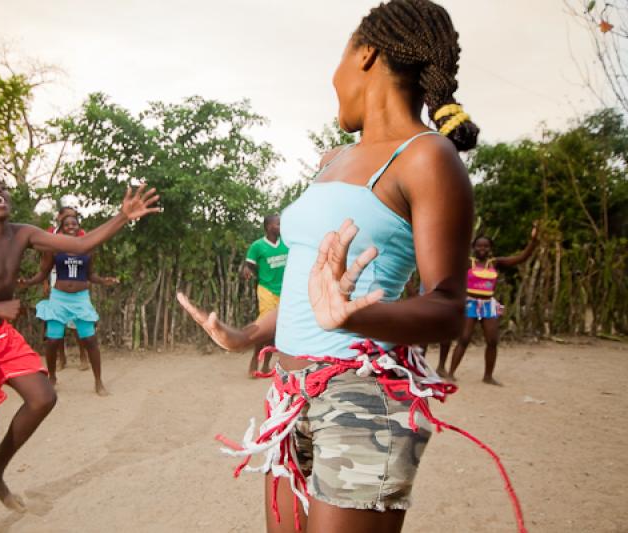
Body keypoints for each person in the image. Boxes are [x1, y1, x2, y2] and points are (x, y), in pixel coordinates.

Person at [178, 1, 486, 531]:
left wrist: (355, 318)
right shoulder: (331, 161)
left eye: (338, 58)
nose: (333, 79)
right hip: (290, 393)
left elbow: (449, 310)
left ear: (365, 54)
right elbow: (313, 291)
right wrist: (249, 332)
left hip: (365, 397)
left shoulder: (426, 156)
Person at [0, 173, 158, 533]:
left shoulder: (23, 233)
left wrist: (123, 216)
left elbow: (79, 245)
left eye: (0, 186)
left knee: (43, 397)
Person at [19, 213, 118, 395]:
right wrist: (28, 282)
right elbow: (43, 273)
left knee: (90, 339)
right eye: (67, 224)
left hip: (80, 299)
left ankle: (98, 381)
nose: (71, 226)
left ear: (79, 227)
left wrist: (105, 281)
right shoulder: (53, 249)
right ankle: (52, 377)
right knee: (53, 341)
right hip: (59, 298)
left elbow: (90, 275)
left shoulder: (88, 249)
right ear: (61, 228)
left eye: (74, 224)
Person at [442, 226, 539, 385]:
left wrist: (533, 242)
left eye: (486, 246)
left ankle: (488, 376)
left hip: (488, 305)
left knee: (492, 341)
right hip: (470, 304)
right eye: (479, 246)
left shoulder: (496, 263)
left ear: (490, 249)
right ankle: (451, 373)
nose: (482, 249)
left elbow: (521, 258)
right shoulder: (467, 263)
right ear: (473, 248)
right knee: (464, 339)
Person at [242, 214, 288, 377]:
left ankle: (266, 365)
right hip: (267, 290)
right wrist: (249, 271)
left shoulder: (287, 243)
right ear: (269, 227)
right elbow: (249, 265)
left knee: (275, 330)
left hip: (285, 291)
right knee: (265, 326)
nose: (281, 227)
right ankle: (255, 359)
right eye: (278, 224)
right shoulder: (257, 246)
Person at [46, 206, 88, 371]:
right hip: (56, 277)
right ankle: (61, 358)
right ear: (59, 217)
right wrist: (45, 282)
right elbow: (45, 260)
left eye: (74, 218)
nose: (71, 222)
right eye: (67, 217)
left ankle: (83, 356)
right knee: (58, 321)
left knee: (77, 321)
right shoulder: (51, 233)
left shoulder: (81, 234)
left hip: (76, 277)